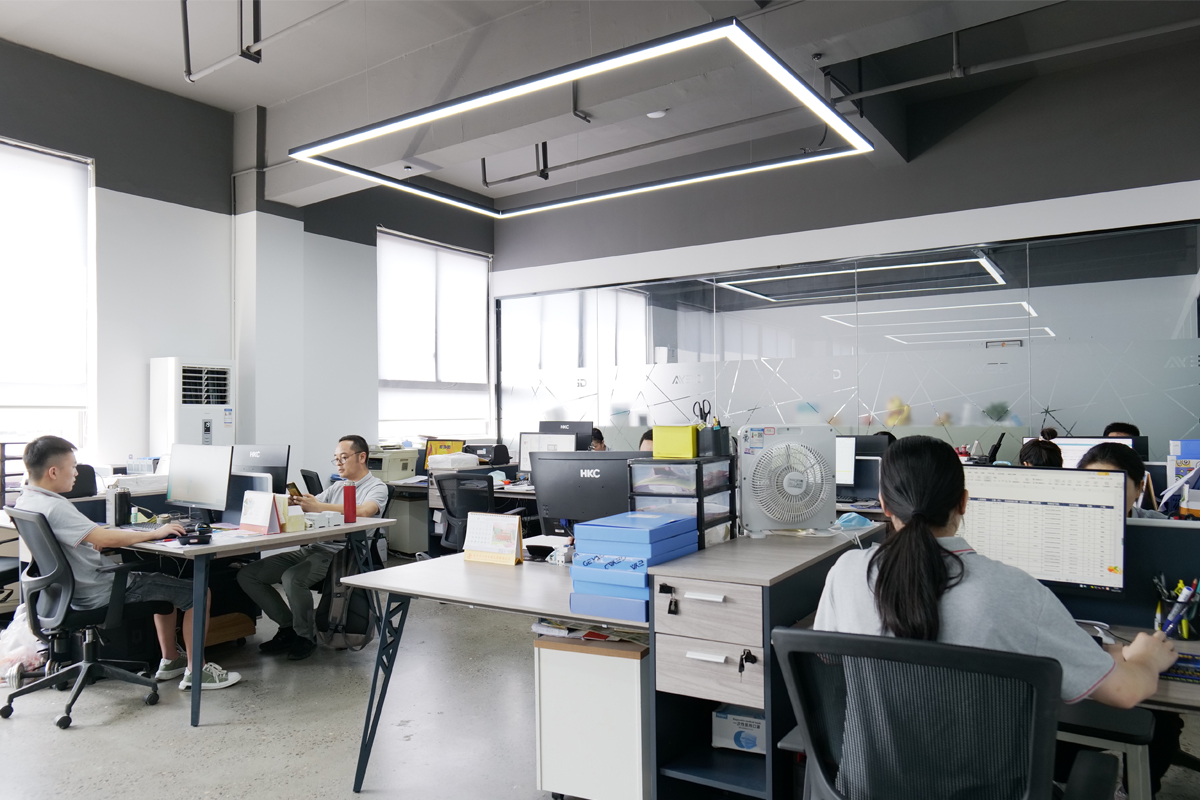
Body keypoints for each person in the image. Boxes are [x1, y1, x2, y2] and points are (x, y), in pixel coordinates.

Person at [815, 435, 1176, 712]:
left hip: (864, 775)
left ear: (883, 504)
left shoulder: (847, 572)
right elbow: (1125, 693)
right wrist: (1147, 658)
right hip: (979, 780)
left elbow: (829, 660)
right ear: (964, 502)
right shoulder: (1012, 590)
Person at [15, 436, 241, 690]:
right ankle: (197, 672)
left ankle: (170, 660)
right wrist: (154, 533)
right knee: (198, 593)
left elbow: (80, 539)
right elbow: (104, 537)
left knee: (163, 585)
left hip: (66, 594)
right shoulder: (56, 507)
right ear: (53, 472)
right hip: (101, 589)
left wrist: (91, 540)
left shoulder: (27, 501)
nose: (76, 473)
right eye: (73, 466)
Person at [237, 435, 389, 661]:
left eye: (344, 457)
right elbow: (315, 505)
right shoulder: (338, 486)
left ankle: (305, 636)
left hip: (342, 554)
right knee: (248, 575)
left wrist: (318, 507)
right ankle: (288, 627)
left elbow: (365, 511)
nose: (338, 463)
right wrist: (297, 502)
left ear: (361, 457)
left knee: (292, 578)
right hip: (315, 548)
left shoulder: (376, 487)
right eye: (336, 459)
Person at [1077, 441, 1164, 519]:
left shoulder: (1162, 527)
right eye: (1092, 488)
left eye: (1116, 488)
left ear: (1138, 488)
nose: (1103, 498)